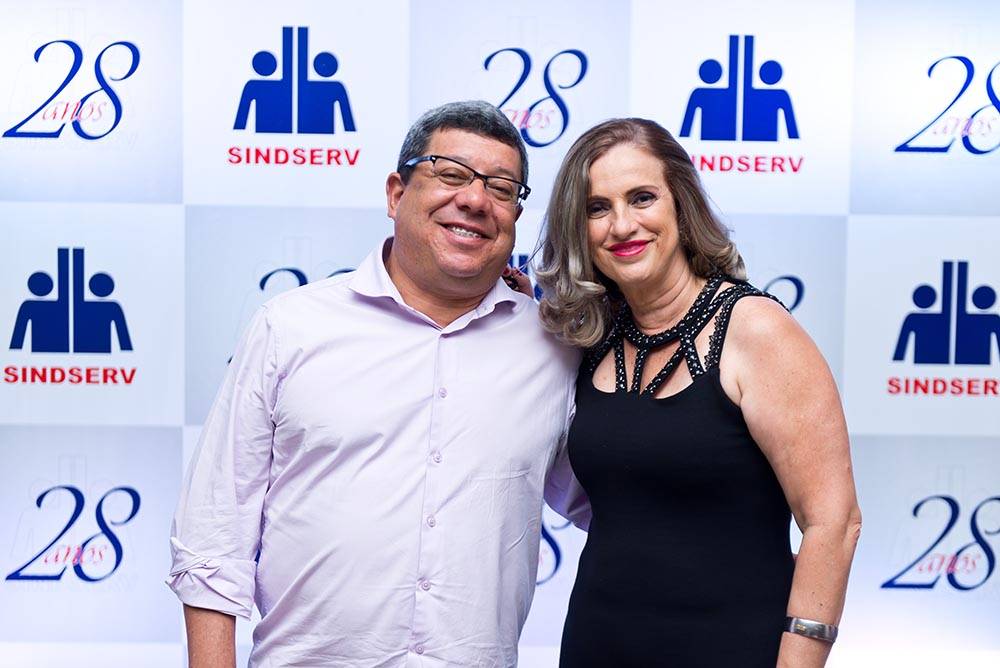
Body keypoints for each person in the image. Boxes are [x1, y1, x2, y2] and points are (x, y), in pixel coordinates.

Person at [168, 100, 589, 668]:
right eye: (450, 174)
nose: (474, 200)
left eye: (501, 187)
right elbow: (214, 540)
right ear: (396, 193)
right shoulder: (290, 328)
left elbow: (618, 504)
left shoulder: (555, 350)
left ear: (516, 214)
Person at [535, 118, 861, 667]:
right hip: (597, 644)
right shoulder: (591, 336)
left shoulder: (756, 331)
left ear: (681, 205)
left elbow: (834, 522)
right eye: (597, 208)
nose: (622, 225)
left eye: (642, 198)